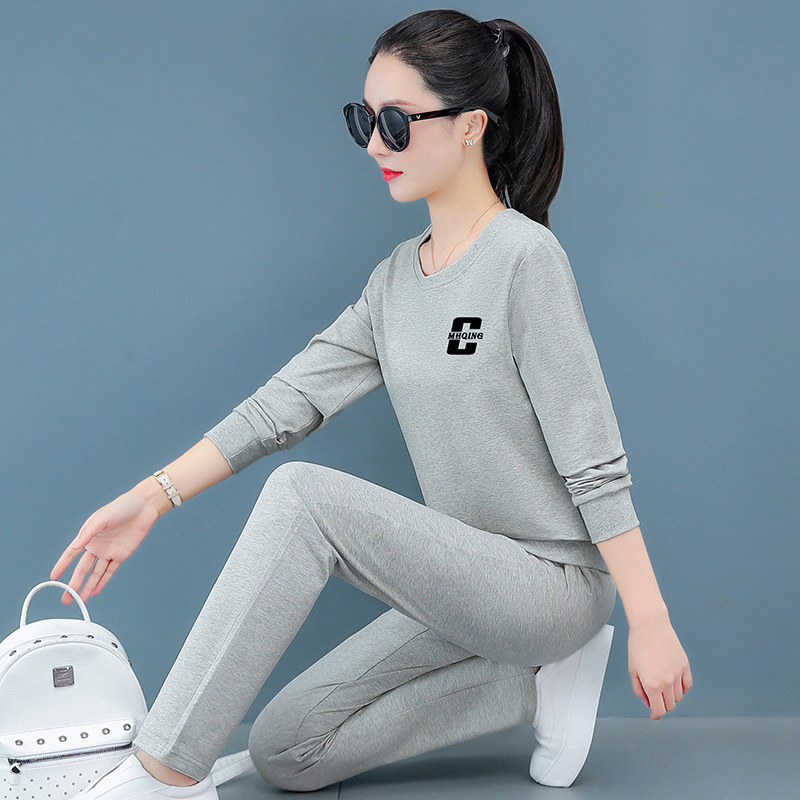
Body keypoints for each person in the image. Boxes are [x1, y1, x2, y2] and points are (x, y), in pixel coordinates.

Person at [51, 10, 692, 798]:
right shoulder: (393, 283)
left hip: (551, 584)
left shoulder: (526, 258)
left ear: (471, 127)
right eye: (365, 119)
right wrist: (152, 498)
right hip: (463, 583)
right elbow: (284, 404)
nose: (374, 145)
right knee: (289, 751)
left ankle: (163, 772)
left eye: (396, 122)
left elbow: (594, 462)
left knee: (303, 497)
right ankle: (532, 682)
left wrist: (651, 624)